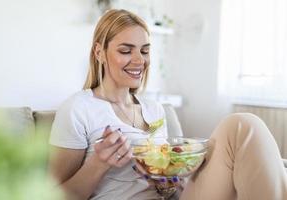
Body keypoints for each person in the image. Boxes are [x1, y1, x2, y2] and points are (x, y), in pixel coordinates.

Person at [48, 9, 287, 200]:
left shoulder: (154, 110)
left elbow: (166, 183)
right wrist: (98, 164)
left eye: (144, 51)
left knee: (244, 125)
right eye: (125, 50)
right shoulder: (78, 109)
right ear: (99, 52)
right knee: (240, 125)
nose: (139, 60)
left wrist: (169, 181)